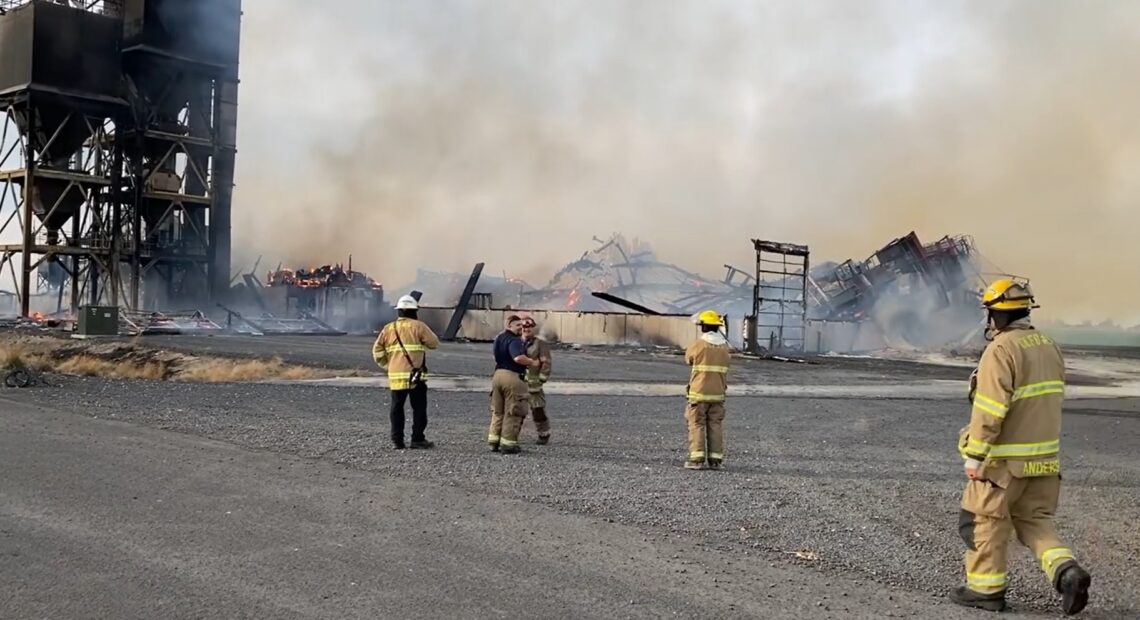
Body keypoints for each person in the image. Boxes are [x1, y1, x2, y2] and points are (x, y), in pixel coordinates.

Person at [952, 279, 1091, 614]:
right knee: (1034, 522)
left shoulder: (1001, 350)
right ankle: (1066, 572)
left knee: (982, 521)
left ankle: (985, 590)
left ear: (997, 316)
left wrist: (975, 455)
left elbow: (990, 408)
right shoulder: (1048, 345)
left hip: (1002, 465)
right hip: (1043, 462)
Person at [372, 294, 439, 450]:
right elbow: (434, 343)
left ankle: (397, 441)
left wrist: (387, 365)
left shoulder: (389, 328)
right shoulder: (419, 326)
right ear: (414, 311)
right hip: (415, 377)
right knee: (419, 408)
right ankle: (417, 439)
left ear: (399, 311)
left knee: (396, 408)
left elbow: (377, 351)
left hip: (395, 376)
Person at [682, 310, 731, 470]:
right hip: (718, 394)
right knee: (715, 424)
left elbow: (688, 359)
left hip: (699, 394)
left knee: (697, 424)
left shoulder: (698, 345)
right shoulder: (725, 348)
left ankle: (696, 460)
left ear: (703, 327)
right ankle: (715, 461)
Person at [487, 314, 541, 454]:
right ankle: (509, 444)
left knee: (498, 411)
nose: (521, 328)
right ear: (509, 326)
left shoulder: (499, 338)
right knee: (514, 410)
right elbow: (518, 357)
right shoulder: (514, 340)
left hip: (497, 375)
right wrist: (532, 362)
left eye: (521, 325)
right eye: (518, 325)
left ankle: (494, 441)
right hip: (512, 377)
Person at [520, 317, 553, 444]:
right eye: (524, 327)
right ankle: (512, 434)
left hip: (534, 384)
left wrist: (541, 379)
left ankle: (543, 434)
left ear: (533, 328)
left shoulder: (540, 344)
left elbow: (546, 363)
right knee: (516, 410)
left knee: (537, 410)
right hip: (518, 382)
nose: (526, 329)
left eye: (529, 327)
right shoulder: (516, 343)